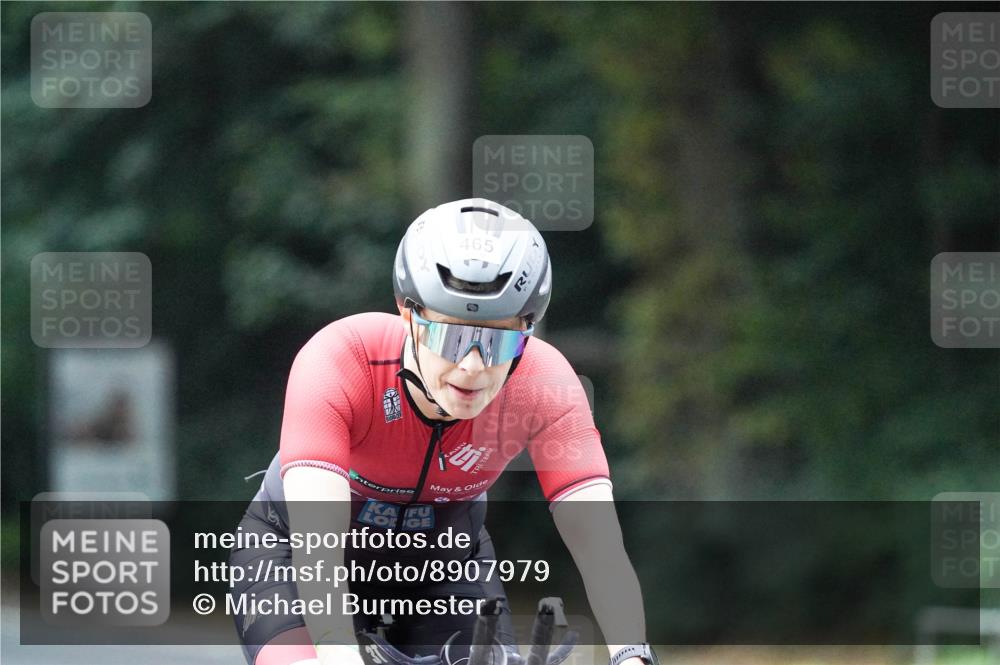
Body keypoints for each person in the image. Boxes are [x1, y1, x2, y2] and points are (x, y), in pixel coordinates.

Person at [229, 199, 656, 665]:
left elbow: (599, 545)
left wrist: (631, 655)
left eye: (496, 341)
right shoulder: (342, 360)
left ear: (527, 331)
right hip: (293, 555)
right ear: (408, 315)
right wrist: (337, 649)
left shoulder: (544, 385)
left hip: (445, 564)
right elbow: (318, 544)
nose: (472, 367)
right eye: (451, 337)